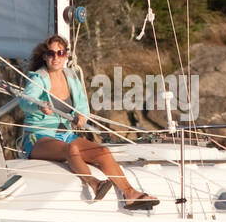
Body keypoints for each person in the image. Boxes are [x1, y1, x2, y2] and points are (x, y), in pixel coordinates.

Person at [19, 35, 159, 210]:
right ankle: (95, 184)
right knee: (71, 149)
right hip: (39, 137)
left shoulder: (71, 76)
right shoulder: (38, 78)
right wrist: (39, 106)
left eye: (60, 53)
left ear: (66, 56)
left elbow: (82, 106)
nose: (56, 57)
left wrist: (81, 116)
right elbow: (25, 102)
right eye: (51, 53)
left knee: (103, 151)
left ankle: (130, 193)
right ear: (45, 56)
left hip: (67, 135)